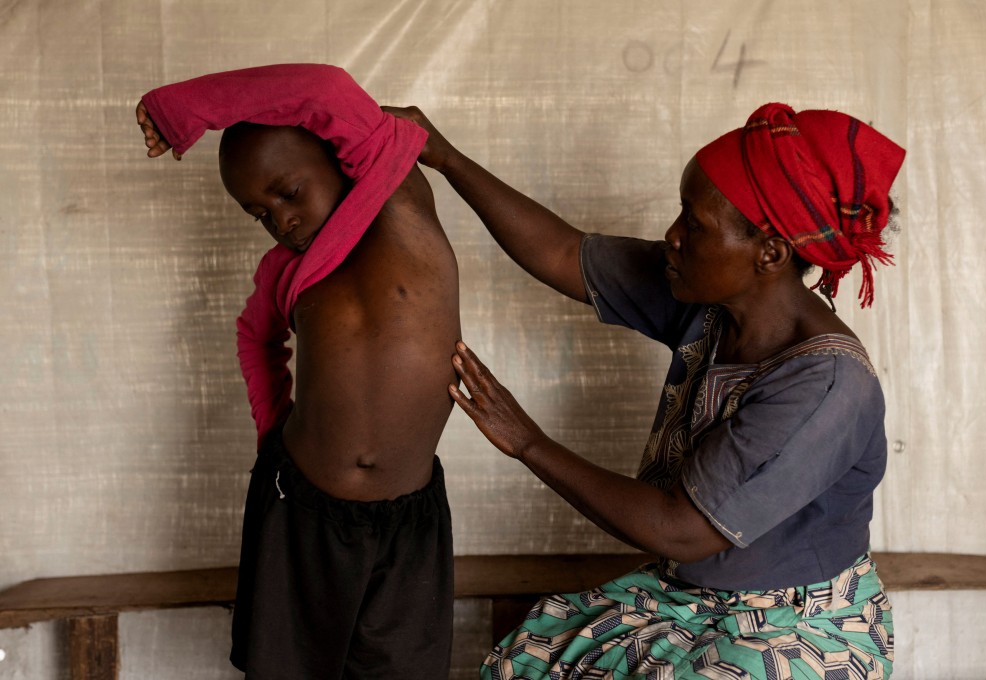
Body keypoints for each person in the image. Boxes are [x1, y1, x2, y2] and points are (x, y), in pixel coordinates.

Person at [385, 101, 904, 679]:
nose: (672, 237)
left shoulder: (825, 384)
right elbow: (563, 253)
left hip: (799, 625)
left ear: (770, 253)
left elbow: (677, 528)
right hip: (697, 599)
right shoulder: (709, 303)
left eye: (694, 223)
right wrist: (446, 158)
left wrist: (526, 442)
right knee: (525, 663)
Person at [136, 64, 461, 679]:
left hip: (407, 516)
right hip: (300, 509)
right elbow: (254, 337)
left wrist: (184, 108)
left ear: (339, 154)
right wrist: (273, 429)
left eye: (288, 192)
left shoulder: (397, 194)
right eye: (259, 212)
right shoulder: (285, 271)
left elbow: (325, 89)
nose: (280, 219)